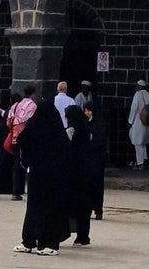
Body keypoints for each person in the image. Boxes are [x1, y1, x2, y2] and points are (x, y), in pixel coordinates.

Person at [16, 94, 70, 256]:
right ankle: (46, 243)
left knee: (34, 208)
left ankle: (30, 241)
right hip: (53, 177)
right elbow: (66, 154)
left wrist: (27, 161)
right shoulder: (58, 132)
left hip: (37, 174)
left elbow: (22, 139)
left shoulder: (34, 127)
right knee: (48, 209)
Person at [64, 104, 93, 245]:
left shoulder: (73, 131)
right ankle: (83, 236)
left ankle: (76, 234)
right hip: (85, 173)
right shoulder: (86, 128)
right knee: (83, 207)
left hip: (75, 174)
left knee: (76, 205)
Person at [1, 88, 37, 201]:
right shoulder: (33, 105)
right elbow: (32, 122)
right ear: (33, 94)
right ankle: (24, 189)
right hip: (27, 137)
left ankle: (16, 191)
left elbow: (8, 121)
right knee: (28, 163)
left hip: (16, 136)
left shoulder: (16, 105)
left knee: (17, 163)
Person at [82, 95, 106, 221]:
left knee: (97, 186)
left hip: (97, 160)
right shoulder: (85, 123)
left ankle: (98, 210)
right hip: (87, 160)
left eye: (88, 110)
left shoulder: (99, 124)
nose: (86, 113)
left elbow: (100, 141)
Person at [128, 79, 149, 168]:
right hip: (147, 121)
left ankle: (140, 163)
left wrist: (130, 121)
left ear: (140, 86)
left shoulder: (137, 94)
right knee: (143, 141)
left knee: (137, 142)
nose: (136, 87)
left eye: (137, 86)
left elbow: (134, 108)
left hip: (138, 121)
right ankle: (144, 159)